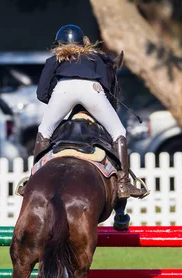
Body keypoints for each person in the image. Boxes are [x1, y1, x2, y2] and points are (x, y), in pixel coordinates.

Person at [34, 24, 145, 199]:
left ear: (59, 44)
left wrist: (62, 104)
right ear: (82, 42)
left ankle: (33, 178)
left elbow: (41, 93)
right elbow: (107, 88)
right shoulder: (95, 57)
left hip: (63, 89)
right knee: (119, 132)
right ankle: (123, 185)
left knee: (44, 131)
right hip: (91, 88)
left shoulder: (54, 60)